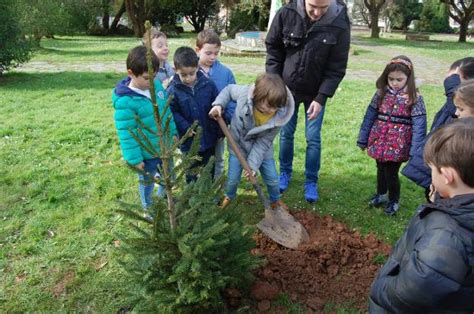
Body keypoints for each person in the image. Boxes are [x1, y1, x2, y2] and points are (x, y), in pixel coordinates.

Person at [369, 118, 474, 313]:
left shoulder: (446, 234)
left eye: (432, 168)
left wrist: (380, 288)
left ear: (447, 175)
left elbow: (414, 291)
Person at [265, 0, 351, 202]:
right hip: (287, 91)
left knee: (313, 138)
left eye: (323, 8)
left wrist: (321, 98)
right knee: (286, 134)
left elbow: (337, 67)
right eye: (313, 6)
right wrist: (277, 86)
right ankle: (285, 172)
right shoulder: (286, 13)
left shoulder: (340, 22)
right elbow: (273, 51)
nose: (317, 12)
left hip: (316, 94)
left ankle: (311, 180)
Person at [208, 73, 294, 209]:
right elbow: (229, 90)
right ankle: (229, 196)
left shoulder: (279, 118)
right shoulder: (244, 93)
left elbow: (263, 143)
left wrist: (252, 166)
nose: (271, 110)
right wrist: (219, 104)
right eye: (267, 106)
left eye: (274, 107)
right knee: (233, 179)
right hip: (238, 146)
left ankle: (275, 200)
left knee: (272, 179)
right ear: (256, 96)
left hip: (262, 151)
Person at [357, 56, 427, 216]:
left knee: (391, 172)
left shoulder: (414, 98)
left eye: (399, 79)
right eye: (391, 79)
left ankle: (393, 200)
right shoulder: (381, 93)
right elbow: (369, 116)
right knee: (380, 168)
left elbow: (419, 125)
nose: (395, 82)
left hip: (399, 143)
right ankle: (381, 194)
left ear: (408, 78)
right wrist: (363, 138)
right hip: (379, 139)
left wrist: (415, 150)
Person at [112, 46, 177, 215]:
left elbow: (166, 112)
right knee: (147, 181)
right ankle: (149, 208)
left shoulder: (156, 87)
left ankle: (164, 197)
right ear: (131, 73)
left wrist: (174, 133)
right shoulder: (126, 101)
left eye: (154, 77)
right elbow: (126, 133)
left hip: (165, 147)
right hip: (146, 153)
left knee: (169, 176)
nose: (152, 82)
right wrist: (134, 158)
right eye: (147, 78)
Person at [402, 57, 474, 198]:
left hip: (452, 189)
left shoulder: (464, 130)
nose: (456, 112)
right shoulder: (456, 109)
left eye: (455, 77)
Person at [167, 46, 220, 182]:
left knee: (209, 169)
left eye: (192, 73)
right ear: (175, 70)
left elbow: (217, 102)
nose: (188, 78)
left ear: (197, 68)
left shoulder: (208, 84)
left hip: (208, 138)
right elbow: (171, 111)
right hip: (188, 141)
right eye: (183, 75)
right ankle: (192, 198)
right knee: (191, 171)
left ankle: (209, 195)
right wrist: (185, 127)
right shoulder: (173, 90)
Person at [195, 29, 237, 179]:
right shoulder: (189, 71)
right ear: (198, 50)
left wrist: (227, 121)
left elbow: (232, 100)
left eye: (216, 53)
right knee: (194, 160)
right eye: (208, 53)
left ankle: (216, 189)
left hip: (218, 126)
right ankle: (194, 189)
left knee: (218, 159)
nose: (213, 57)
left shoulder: (225, 73)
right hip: (195, 126)